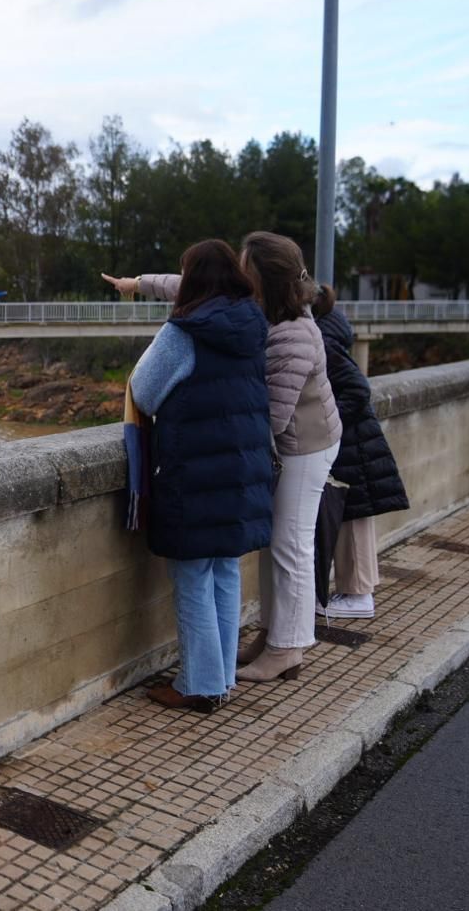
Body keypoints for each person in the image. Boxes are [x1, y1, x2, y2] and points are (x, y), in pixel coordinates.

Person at [104, 230, 341, 683]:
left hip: (303, 445)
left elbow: (267, 418)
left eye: (247, 266)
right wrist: (138, 283)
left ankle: (283, 650)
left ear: (262, 278)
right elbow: (190, 283)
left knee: (288, 546)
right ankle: (254, 649)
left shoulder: (290, 333)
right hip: (252, 459)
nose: (240, 273)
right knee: (236, 561)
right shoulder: (250, 316)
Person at [124, 240, 275, 712]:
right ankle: (223, 676)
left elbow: (144, 392)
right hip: (240, 471)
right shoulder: (253, 325)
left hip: (194, 471)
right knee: (225, 570)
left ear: (192, 280)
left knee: (192, 575)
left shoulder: (185, 332)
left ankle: (199, 686)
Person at [311, 284, 409, 618]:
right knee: (353, 516)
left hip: (350, 443)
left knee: (352, 517)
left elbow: (357, 389)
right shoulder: (330, 332)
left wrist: (326, 418)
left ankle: (357, 595)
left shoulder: (323, 342)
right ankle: (355, 592)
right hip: (355, 441)